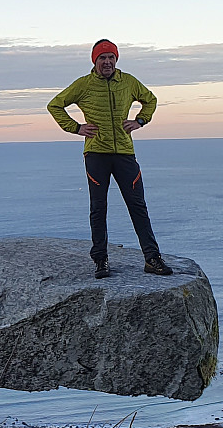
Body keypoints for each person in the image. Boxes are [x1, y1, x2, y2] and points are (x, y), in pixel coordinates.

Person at [47, 39, 172, 278]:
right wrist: (76, 128)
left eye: (111, 57)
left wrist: (140, 120)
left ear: (116, 59)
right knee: (98, 207)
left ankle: (152, 258)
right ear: (95, 61)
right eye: (102, 58)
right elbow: (55, 105)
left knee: (138, 206)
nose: (107, 62)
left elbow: (150, 100)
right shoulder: (83, 85)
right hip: (96, 154)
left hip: (124, 153)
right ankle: (100, 260)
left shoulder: (128, 82)